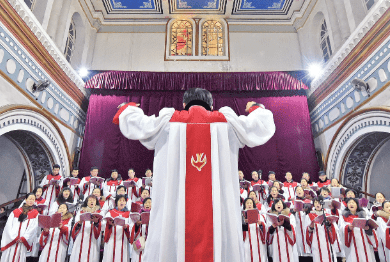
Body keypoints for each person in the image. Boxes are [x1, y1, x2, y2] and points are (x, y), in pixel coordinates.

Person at [114, 88, 276, 262]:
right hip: (218, 225)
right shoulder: (227, 123)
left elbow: (138, 124)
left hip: (175, 223)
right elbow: (260, 126)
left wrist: (127, 108)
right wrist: (256, 108)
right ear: (211, 105)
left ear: (184, 104)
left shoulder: (167, 122)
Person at [1, 193, 40, 262]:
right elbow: (8, 226)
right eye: (30, 199)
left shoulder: (35, 213)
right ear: (25, 199)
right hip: (12, 241)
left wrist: (24, 238)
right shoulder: (15, 212)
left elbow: (34, 228)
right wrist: (14, 237)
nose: (31, 201)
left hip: (22, 242)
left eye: (33, 199)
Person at [340, 198, 376, 262]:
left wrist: (368, 229)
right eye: (349, 203)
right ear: (347, 205)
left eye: (353, 202)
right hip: (352, 243)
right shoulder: (343, 217)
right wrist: (348, 228)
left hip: (364, 242)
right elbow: (340, 228)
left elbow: (370, 230)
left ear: (357, 205)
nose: (351, 204)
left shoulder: (364, 216)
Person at [70, 196, 102, 262]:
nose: (91, 201)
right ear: (86, 202)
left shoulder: (99, 212)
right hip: (81, 236)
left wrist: (96, 222)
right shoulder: (81, 211)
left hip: (93, 238)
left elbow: (102, 225)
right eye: (89, 200)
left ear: (96, 202)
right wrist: (79, 222)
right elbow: (76, 224)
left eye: (93, 200)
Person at [305, 197, 337, 262]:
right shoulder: (309, 216)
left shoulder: (328, 215)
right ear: (313, 205)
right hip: (316, 241)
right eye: (316, 202)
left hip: (327, 241)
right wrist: (311, 226)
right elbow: (307, 231)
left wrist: (330, 225)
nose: (318, 204)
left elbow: (334, 230)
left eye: (319, 202)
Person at [103, 194, 132, 262]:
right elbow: (104, 223)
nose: (122, 202)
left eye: (124, 200)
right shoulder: (110, 212)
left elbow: (131, 226)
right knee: (110, 256)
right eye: (120, 200)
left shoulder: (129, 214)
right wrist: (109, 223)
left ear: (126, 203)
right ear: (116, 202)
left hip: (123, 240)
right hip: (111, 238)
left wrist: (126, 226)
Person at [242, 197, 267, 262]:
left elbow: (265, 228)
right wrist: (245, 223)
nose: (249, 204)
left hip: (258, 240)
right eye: (247, 203)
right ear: (245, 205)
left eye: (251, 203)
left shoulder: (259, 216)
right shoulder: (242, 216)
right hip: (247, 241)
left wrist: (261, 223)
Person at [130, 197, 152, 262]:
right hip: (139, 240)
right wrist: (137, 224)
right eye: (146, 203)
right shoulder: (138, 215)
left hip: (149, 241)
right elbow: (134, 230)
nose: (148, 204)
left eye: (149, 202)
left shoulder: (154, 215)